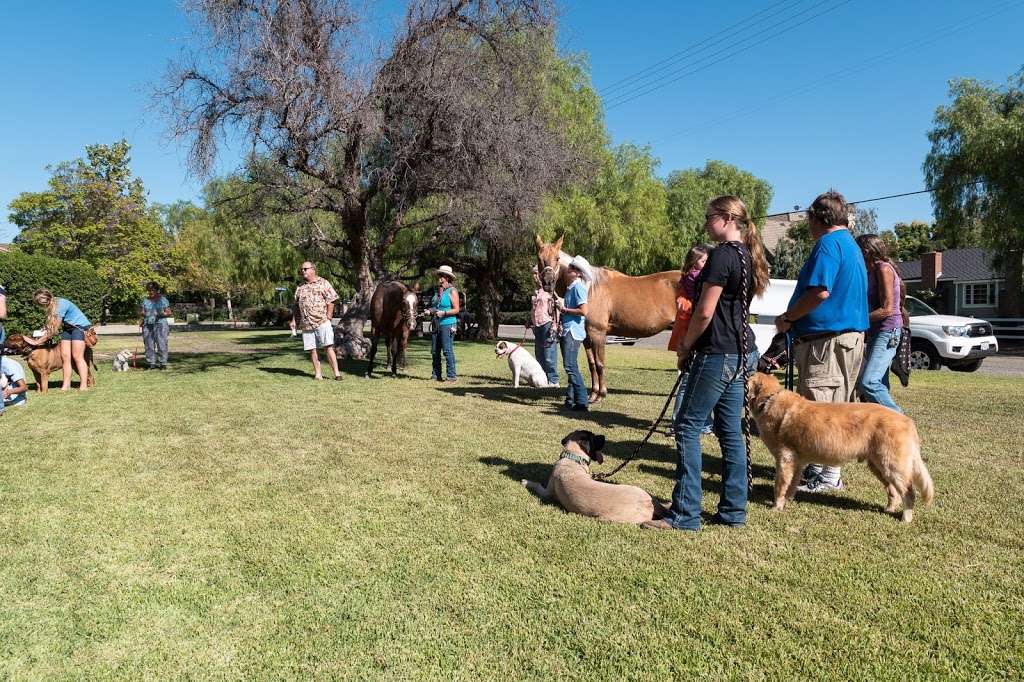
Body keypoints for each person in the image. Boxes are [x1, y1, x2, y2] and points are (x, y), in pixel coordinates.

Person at [643, 195, 769, 532]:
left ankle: (685, 513)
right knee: (730, 432)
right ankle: (732, 511)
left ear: (727, 218)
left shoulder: (721, 257)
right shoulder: (746, 256)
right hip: (740, 353)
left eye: (709, 216)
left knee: (687, 425)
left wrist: (685, 345)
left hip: (716, 354)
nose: (705, 223)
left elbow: (705, 311)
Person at [773, 190, 868, 494]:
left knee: (820, 410)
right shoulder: (850, 245)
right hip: (846, 340)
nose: (808, 224)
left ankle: (827, 476)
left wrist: (788, 317)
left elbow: (819, 292)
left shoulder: (828, 244)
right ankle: (822, 469)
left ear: (818, 217)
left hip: (827, 343)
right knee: (836, 406)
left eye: (809, 218)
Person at [856, 233, 906, 413]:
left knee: (869, 382)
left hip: (888, 330)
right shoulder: (869, 272)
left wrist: (857, 321)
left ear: (866, 251)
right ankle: (883, 428)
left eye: (857, 251)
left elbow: (887, 309)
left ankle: (900, 422)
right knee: (880, 383)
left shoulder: (883, 269)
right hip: (876, 332)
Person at [666, 245, 711, 435]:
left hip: (696, 335)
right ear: (694, 262)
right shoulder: (693, 280)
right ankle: (679, 421)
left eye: (707, 261)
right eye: (702, 261)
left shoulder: (695, 280)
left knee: (702, 380)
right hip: (691, 337)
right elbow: (691, 310)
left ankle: (704, 423)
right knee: (687, 380)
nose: (706, 264)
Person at [23, 289, 92, 391]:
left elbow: (52, 331)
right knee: (65, 357)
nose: (42, 305)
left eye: (42, 302)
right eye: (40, 303)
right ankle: (66, 385)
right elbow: (49, 326)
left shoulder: (60, 305)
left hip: (80, 327)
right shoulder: (51, 306)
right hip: (68, 328)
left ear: (48, 297)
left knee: (77, 356)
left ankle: (84, 385)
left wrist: (36, 342)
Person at [289, 261, 343, 381]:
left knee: (328, 347)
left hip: (322, 322)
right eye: (301, 270)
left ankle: (337, 373)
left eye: (305, 269)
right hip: (306, 324)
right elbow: (296, 306)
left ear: (313, 269)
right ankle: (318, 374)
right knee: (312, 349)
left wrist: (328, 316)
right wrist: (294, 320)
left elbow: (332, 300)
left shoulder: (323, 283)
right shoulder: (300, 287)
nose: (303, 271)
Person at [557, 256, 593, 413]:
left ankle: (582, 400)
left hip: (572, 331)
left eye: (572, 268)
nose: (569, 269)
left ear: (579, 273)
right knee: (572, 366)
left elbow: (583, 311)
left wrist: (564, 309)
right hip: (569, 329)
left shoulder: (578, 288)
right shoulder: (571, 288)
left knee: (570, 366)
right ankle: (570, 399)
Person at [527, 265, 559, 387]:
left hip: (547, 323)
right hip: (537, 324)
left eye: (536, 274)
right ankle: (543, 378)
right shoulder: (537, 291)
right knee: (539, 353)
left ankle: (553, 380)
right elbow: (535, 308)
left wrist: (555, 325)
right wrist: (529, 320)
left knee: (549, 352)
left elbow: (555, 307)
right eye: (533, 274)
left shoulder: (550, 289)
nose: (534, 277)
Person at [430, 265, 460, 382]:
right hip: (437, 324)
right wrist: (430, 310)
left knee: (447, 350)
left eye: (441, 276)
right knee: (434, 350)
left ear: (447, 277)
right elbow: (436, 307)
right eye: (439, 276)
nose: (439, 279)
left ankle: (451, 376)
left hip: (448, 324)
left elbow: (457, 309)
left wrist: (444, 313)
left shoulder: (452, 291)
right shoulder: (439, 291)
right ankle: (436, 374)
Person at [139, 282, 172, 370]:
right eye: (149, 290)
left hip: (160, 324)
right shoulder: (145, 300)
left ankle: (163, 363)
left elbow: (169, 312)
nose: (151, 292)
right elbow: (142, 312)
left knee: (162, 344)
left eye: (152, 290)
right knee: (148, 344)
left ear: (157, 290)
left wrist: (160, 314)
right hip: (148, 324)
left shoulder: (163, 300)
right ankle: (151, 363)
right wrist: (144, 315)